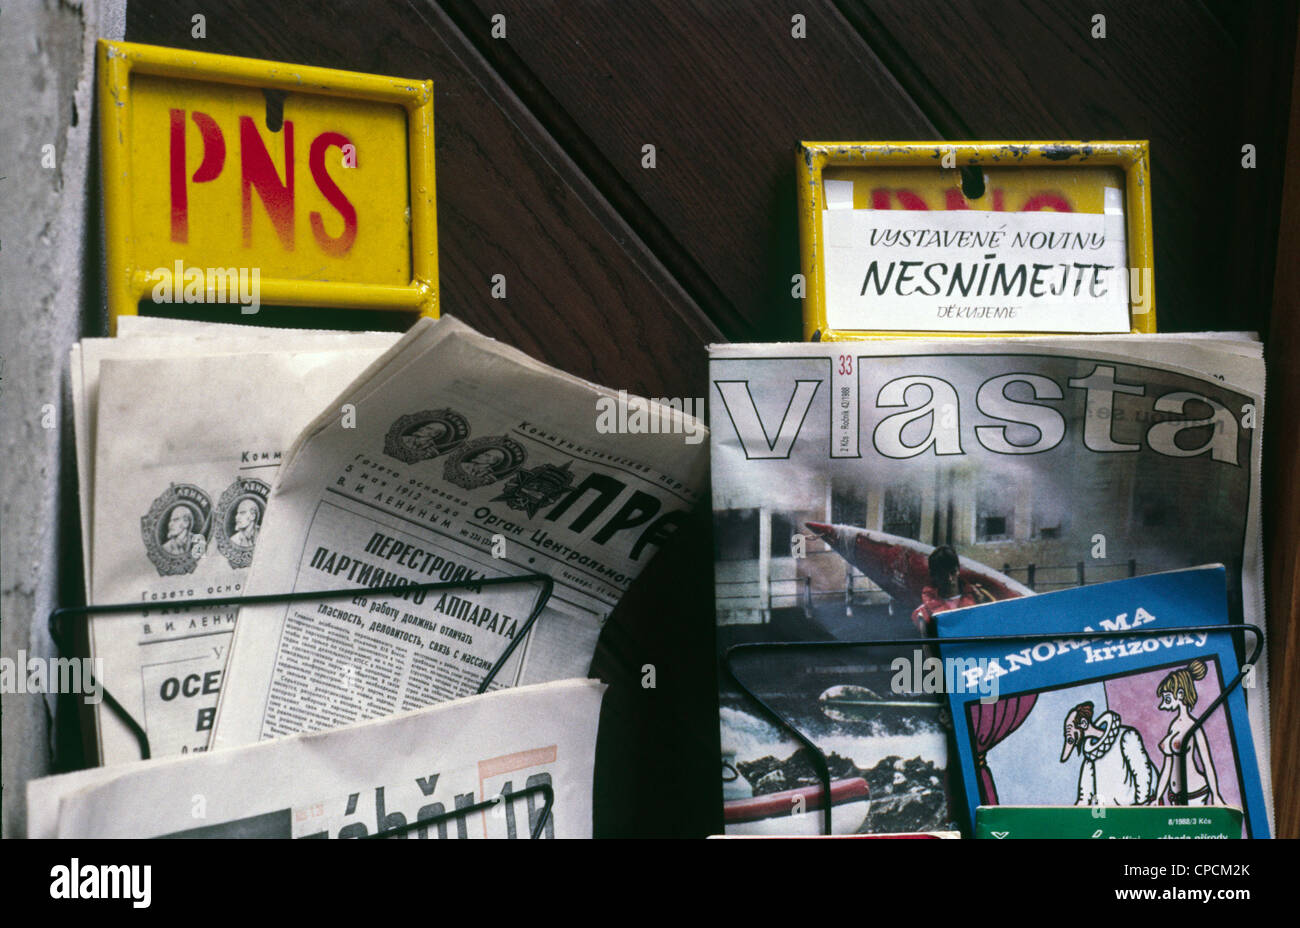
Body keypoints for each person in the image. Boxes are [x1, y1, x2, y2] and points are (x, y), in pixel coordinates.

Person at [1153, 659, 1226, 806]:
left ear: (1180, 694)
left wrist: (1216, 795)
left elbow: (1207, 763)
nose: (1162, 705)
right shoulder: (1174, 725)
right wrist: (1158, 796)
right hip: (1173, 795)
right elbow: (1167, 766)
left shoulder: (1194, 726)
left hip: (1194, 794)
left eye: (1167, 699)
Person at [1061, 701, 1158, 806]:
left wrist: (1141, 805)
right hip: (1110, 815)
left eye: (1071, 730)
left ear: (1084, 724)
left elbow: (1142, 772)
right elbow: (1084, 797)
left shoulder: (1125, 736)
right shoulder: (1090, 758)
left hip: (1135, 810)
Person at [910, 544, 996, 636]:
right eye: (943, 575)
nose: (950, 579)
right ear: (933, 575)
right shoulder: (922, 613)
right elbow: (918, 647)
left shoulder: (980, 599)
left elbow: (995, 629)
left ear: (958, 570)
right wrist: (917, 651)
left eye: (953, 572)